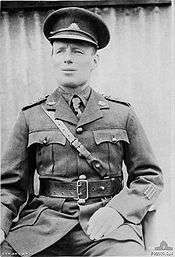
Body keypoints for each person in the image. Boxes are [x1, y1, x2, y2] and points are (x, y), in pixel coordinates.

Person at [0, 7, 163, 256]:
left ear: (95, 60)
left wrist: (118, 211)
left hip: (107, 228)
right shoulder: (31, 116)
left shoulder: (122, 114)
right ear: (52, 58)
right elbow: (9, 186)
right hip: (44, 227)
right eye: (60, 51)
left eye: (77, 51)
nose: (68, 58)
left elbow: (149, 178)